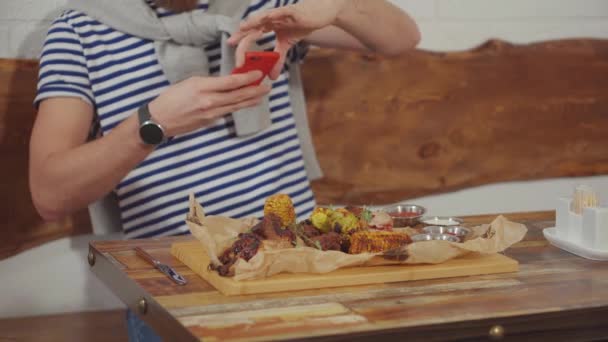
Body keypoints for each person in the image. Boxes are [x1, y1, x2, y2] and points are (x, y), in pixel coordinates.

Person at [30, 0, 420, 340]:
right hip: (179, 290)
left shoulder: (264, 5)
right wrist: (154, 124)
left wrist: (338, 6)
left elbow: (401, 38)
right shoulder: (78, 31)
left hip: (300, 273)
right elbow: (50, 195)